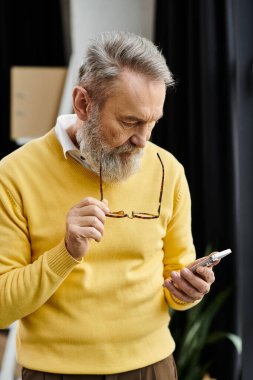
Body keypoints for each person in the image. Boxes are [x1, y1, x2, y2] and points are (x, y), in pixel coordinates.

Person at [0, 31, 215, 380]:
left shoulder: (168, 170)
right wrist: (66, 252)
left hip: (154, 368)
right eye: (130, 121)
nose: (143, 141)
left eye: (153, 122)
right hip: (55, 373)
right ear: (83, 104)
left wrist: (189, 290)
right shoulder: (14, 175)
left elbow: (177, 280)